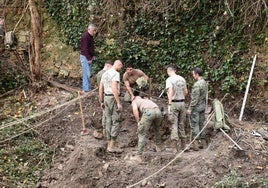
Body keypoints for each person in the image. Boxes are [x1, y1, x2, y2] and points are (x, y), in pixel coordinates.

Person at [129, 90, 163, 163]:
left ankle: (138, 156)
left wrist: (138, 122)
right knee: (157, 129)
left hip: (149, 112)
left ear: (133, 97)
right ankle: (158, 147)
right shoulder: (145, 99)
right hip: (158, 111)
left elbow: (135, 110)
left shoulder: (134, 101)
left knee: (142, 132)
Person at [99, 60, 123, 153]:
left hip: (106, 97)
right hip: (112, 97)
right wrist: (118, 102)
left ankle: (109, 143)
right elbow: (114, 88)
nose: (121, 69)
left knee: (108, 120)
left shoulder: (105, 73)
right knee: (116, 120)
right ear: (118, 65)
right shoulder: (116, 74)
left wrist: (101, 101)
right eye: (121, 67)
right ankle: (112, 146)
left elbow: (101, 88)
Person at [165, 64, 188, 152]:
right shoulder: (182, 79)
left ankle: (174, 147)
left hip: (174, 103)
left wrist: (169, 104)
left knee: (174, 124)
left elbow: (170, 91)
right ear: (175, 70)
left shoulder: (169, 80)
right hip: (182, 103)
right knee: (181, 124)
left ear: (168, 71)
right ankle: (184, 145)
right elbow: (186, 91)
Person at [187, 67, 208, 151]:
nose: (193, 76)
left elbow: (194, 99)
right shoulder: (205, 83)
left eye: (193, 74)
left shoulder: (197, 84)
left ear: (197, 74)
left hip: (196, 107)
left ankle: (195, 144)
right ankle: (203, 143)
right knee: (201, 124)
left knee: (194, 124)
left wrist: (190, 108)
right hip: (202, 106)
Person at [93, 60, 113, 139]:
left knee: (105, 113)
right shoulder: (104, 74)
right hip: (105, 95)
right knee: (106, 114)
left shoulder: (100, 73)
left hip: (103, 95)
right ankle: (105, 132)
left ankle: (105, 131)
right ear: (108, 66)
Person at [80, 23, 97, 92]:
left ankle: (88, 88)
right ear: (89, 29)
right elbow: (84, 49)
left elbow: (91, 48)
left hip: (88, 57)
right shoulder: (85, 36)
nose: (94, 32)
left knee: (88, 73)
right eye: (93, 30)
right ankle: (86, 89)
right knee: (86, 73)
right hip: (85, 57)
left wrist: (93, 55)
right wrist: (88, 58)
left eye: (95, 30)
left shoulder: (90, 36)